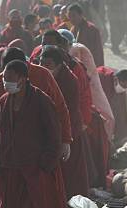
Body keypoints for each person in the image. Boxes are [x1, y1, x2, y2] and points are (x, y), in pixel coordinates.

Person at [0, 60, 66, 208]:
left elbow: (53, 135)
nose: (6, 82)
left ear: (22, 78)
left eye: (10, 79)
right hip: (9, 168)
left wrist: (45, 165)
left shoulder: (41, 100)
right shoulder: (3, 102)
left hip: (34, 168)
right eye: (4, 78)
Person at [0, 47, 72, 154]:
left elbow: (60, 108)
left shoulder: (43, 76)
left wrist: (65, 140)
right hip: (9, 149)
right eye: (6, 74)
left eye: (13, 74)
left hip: (42, 145)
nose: (7, 79)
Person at [40, 46, 89, 199]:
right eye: (41, 63)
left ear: (59, 65)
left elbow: (68, 111)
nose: (44, 67)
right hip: (49, 129)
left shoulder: (69, 80)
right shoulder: (41, 75)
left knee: (69, 171)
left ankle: (70, 201)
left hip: (68, 129)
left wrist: (64, 138)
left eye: (48, 65)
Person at [98, 67, 127, 142]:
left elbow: (122, 111)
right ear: (116, 80)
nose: (123, 89)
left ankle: (120, 137)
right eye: (123, 86)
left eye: (126, 87)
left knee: (119, 109)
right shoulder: (101, 79)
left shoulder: (120, 89)